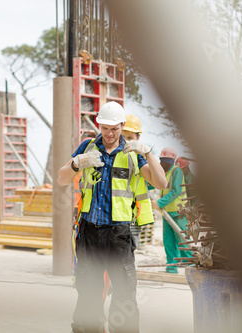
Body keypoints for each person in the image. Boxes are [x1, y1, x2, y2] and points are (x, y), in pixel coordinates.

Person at [58, 101, 167, 333]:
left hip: (118, 235)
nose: (109, 134)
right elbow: (62, 179)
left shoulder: (132, 154)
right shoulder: (87, 147)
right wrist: (77, 164)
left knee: (125, 294)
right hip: (89, 232)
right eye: (105, 128)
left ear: (121, 126)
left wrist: (147, 153)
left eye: (114, 128)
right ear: (99, 124)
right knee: (88, 291)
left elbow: (161, 182)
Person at [156, 147, 192, 274]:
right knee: (169, 242)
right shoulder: (165, 172)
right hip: (167, 213)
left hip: (178, 213)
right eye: (160, 160)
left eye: (163, 161)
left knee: (183, 240)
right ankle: (171, 267)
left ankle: (192, 266)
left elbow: (175, 191)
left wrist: (158, 203)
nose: (161, 163)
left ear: (170, 161)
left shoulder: (176, 171)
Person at [122, 114, 155, 246]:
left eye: (130, 138)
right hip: (115, 217)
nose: (125, 141)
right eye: (123, 137)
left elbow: (156, 182)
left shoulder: (139, 158)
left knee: (127, 256)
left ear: (138, 138)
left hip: (133, 216)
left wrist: (147, 154)